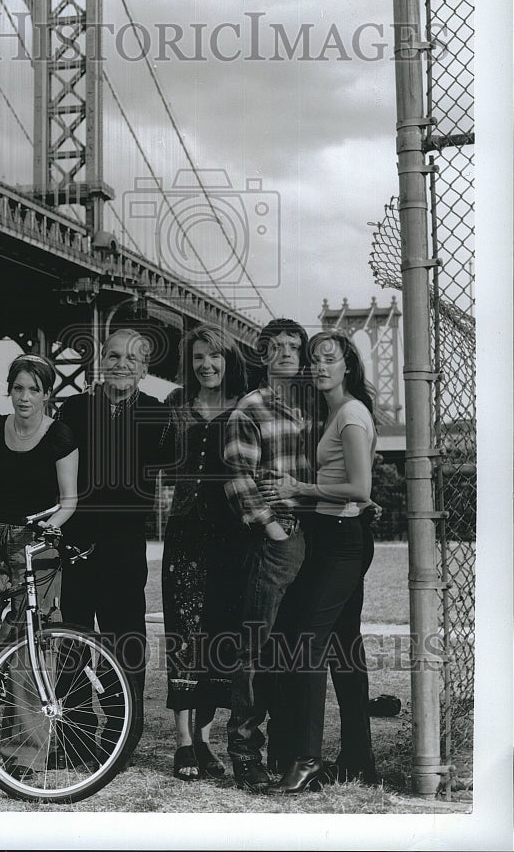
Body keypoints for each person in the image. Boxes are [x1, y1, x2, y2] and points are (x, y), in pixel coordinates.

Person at [0, 352, 78, 774]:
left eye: (33, 390)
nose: (24, 397)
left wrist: (47, 532)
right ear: (9, 390)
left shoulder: (60, 436)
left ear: (46, 394)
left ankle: (25, 750)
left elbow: (68, 502)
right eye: (18, 388)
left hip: (36, 541)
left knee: (32, 645)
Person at [262, 329, 379, 794]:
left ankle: (307, 759)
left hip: (343, 541)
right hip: (333, 536)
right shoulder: (332, 412)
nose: (320, 367)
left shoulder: (350, 414)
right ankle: (358, 760)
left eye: (330, 359)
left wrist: (299, 489)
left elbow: (360, 489)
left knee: (306, 643)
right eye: (315, 360)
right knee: (345, 648)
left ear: (347, 364)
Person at [56, 327, 169, 752]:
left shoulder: (158, 414)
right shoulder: (74, 408)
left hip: (125, 546)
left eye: (132, 359)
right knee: (72, 641)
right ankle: (74, 732)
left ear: (143, 369)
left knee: (126, 643)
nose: (122, 364)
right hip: (76, 542)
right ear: (101, 360)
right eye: (114, 355)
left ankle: (122, 736)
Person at [222, 318, 313, 791]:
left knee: (291, 646)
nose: (283, 353)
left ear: (302, 355)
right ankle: (244, 753)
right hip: (276, 536)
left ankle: (285, 746)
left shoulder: (310, 408)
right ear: (262, 355)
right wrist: (275, 530)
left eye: (292, 346)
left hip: (312, 537)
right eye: (274, 346)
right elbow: (239, 478)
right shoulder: (250, 408)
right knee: (254, 648)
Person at [160, 324, 249, 781]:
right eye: (198, 357)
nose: (206, 365)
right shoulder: (175, 404)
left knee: (219, 636)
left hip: (233, 537)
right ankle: (182, 742)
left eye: (214, 357)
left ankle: (205, 740)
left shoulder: (246, 405)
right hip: (185, 533)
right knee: (184, 633)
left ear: (228, 359)